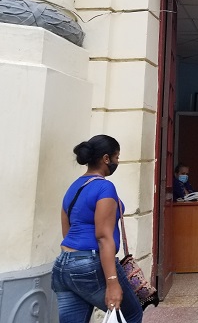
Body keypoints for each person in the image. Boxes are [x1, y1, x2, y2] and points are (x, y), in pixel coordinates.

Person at [52, 135, 143, 323]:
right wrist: (112, 282)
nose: (117, 162)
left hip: (64, 265)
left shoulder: (73, 187)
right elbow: (103, 237)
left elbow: (66, 230)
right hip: (90, 263)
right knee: (132, 314)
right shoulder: (105, 188)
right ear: (106, 158)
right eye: (116, 158)